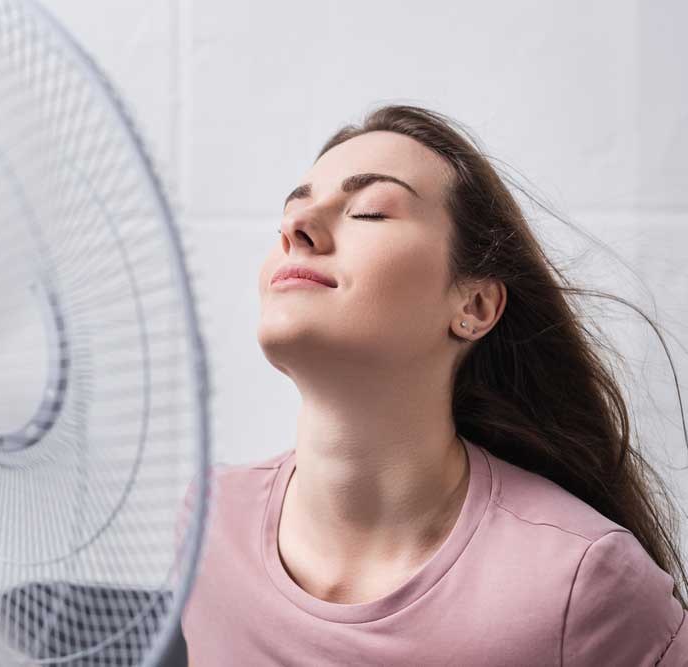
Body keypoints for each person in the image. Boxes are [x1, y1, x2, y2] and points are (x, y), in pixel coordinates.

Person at [178, 104, 688, 665]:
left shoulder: (584, 582)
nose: (297, 230)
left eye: (370, 212)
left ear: (474, 304)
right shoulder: (209, 525)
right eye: (289, 215)